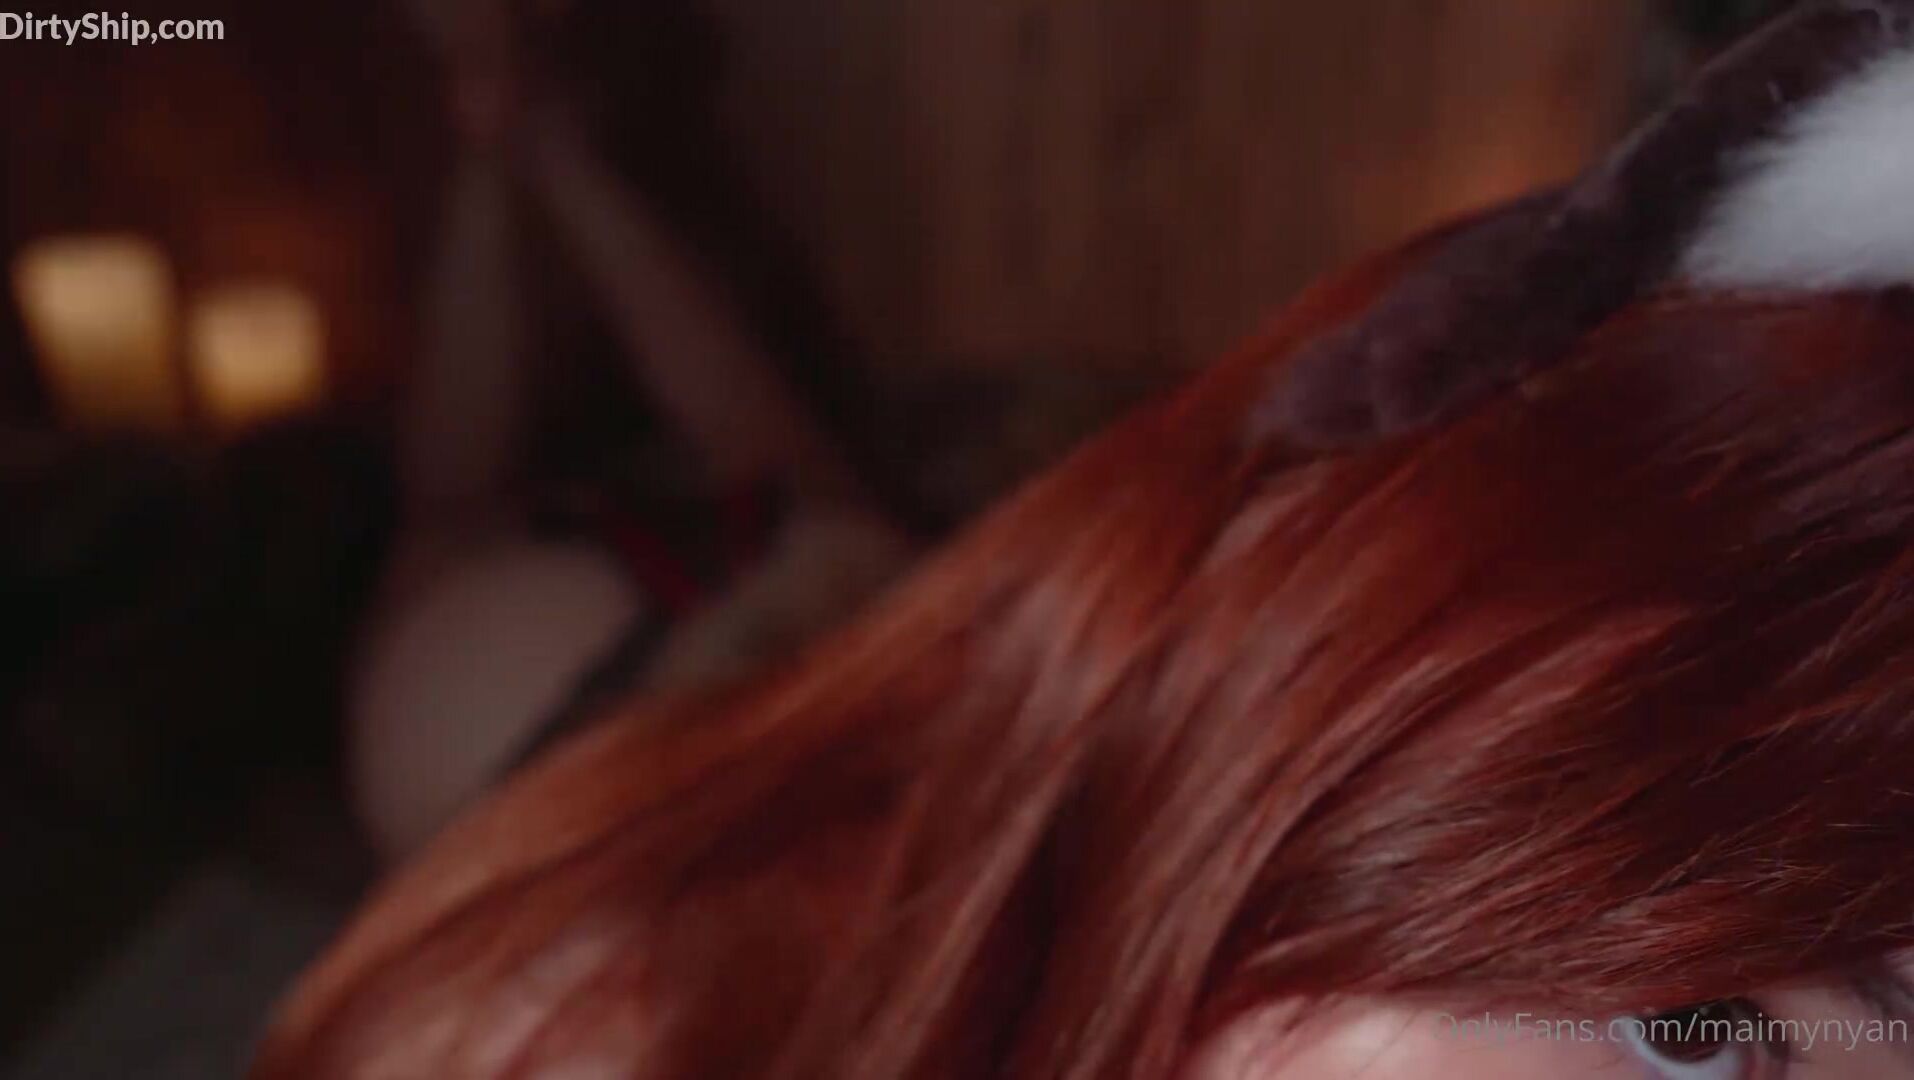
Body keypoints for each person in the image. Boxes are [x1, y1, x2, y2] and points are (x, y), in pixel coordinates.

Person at [254, 2, 1914, 1076]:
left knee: (796, 481)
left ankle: (526, 134)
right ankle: (519, 143)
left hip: (897, 636)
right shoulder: (584, 1023)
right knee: (452, 523)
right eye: (1700, 1036)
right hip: (543, 685)